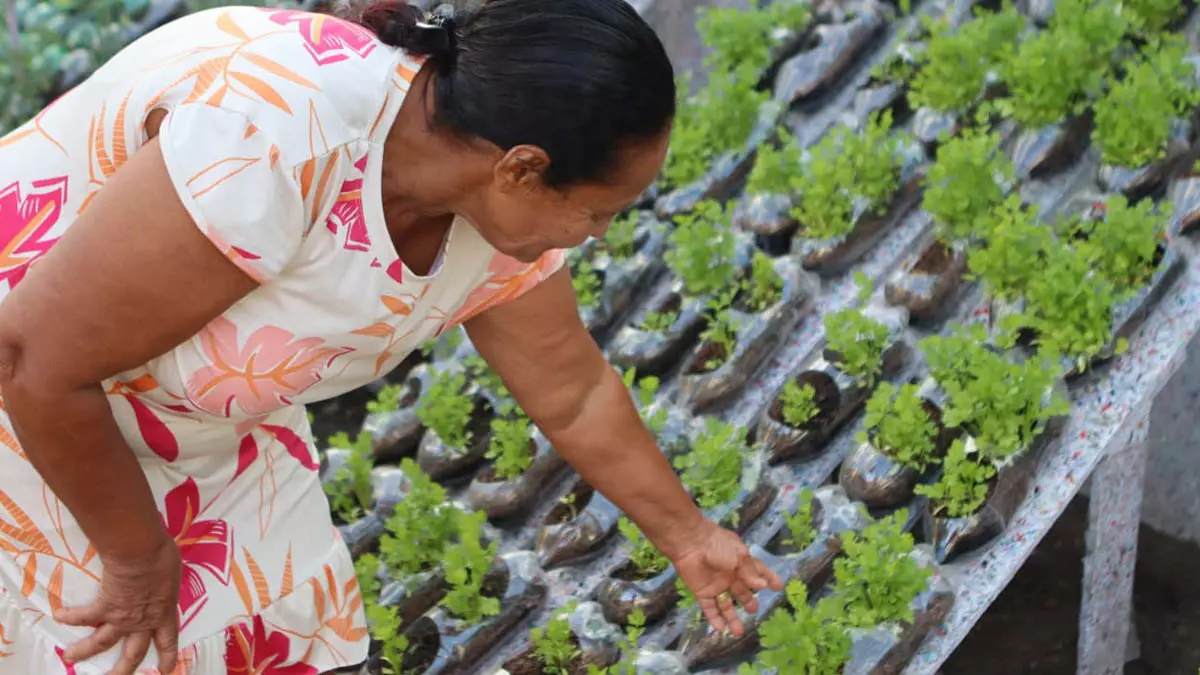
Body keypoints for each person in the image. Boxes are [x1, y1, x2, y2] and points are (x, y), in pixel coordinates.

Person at [0, 0, 783, 673]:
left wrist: (689, 536)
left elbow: (572, 393)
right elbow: (33, 361)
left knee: (290, 632)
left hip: (192, 418)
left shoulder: (488, 224)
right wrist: (139, 559)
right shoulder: (277, 133)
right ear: (521, 168)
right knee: (119, 644)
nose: (598, 235)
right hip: (34, 413)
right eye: (596, 210)